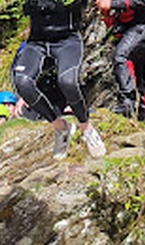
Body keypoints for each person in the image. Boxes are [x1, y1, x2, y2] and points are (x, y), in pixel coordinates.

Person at [11, 0, 106, 160]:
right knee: (23, 82)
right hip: (37, 42)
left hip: (66, 41)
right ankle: (61, 127)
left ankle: (86, 128)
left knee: (67, 82)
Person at [97, 0, 145, 124]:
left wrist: (112, 4)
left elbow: (142, 2)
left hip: (143, 26)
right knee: (137, 76)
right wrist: (108, 14)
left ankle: (129, 103)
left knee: (122, 57)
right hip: (133, 30)